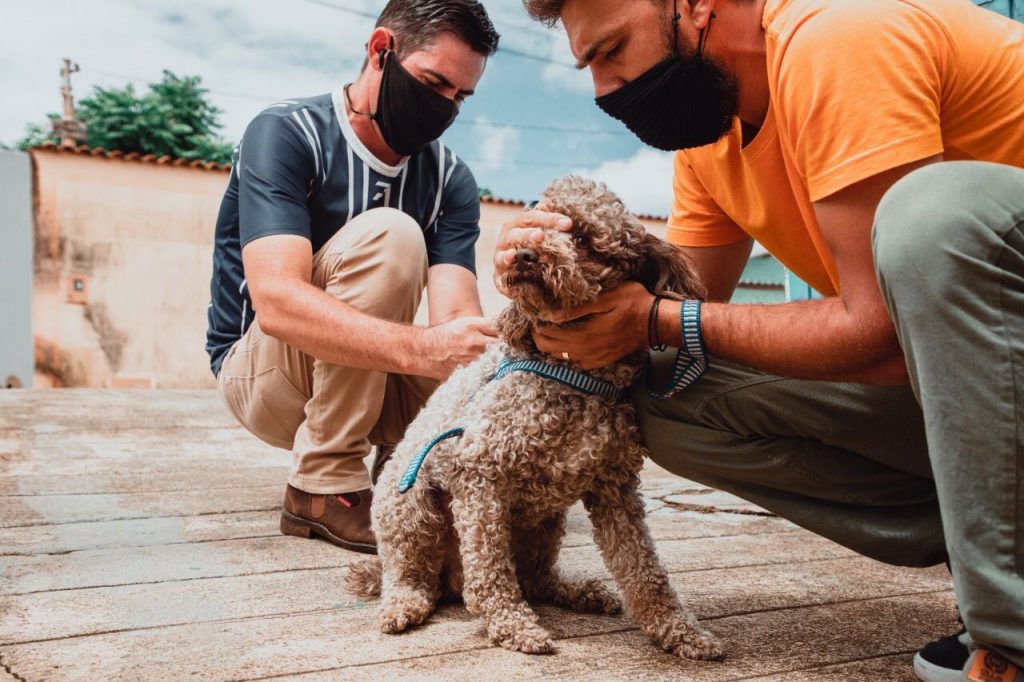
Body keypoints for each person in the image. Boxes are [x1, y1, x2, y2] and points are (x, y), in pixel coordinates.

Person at [497, 0, 1024, 679]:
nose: (602, 89)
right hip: (984, 394)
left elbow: (882, 331)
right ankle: (992, 542)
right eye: (588, 65)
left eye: (612, 50)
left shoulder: (839, 35)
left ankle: (1010, 631)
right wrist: (544, 268)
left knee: (933, 221)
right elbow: (662, 324)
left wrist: (657, 320)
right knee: (660, 391)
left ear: (693, 6)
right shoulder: (711, 139)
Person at [205, 0, 500, 555]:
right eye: (434, 83)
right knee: (393, 233)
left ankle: (410, 465)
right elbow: (277, 302)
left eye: (460, 97)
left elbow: (457, 318)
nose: (445, 107)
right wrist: (421, 350)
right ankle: (323, 485)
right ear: (379, 49)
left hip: (365, 380)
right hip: (265, 379)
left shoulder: (451, 179)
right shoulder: (288, 134)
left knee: (481, 361)